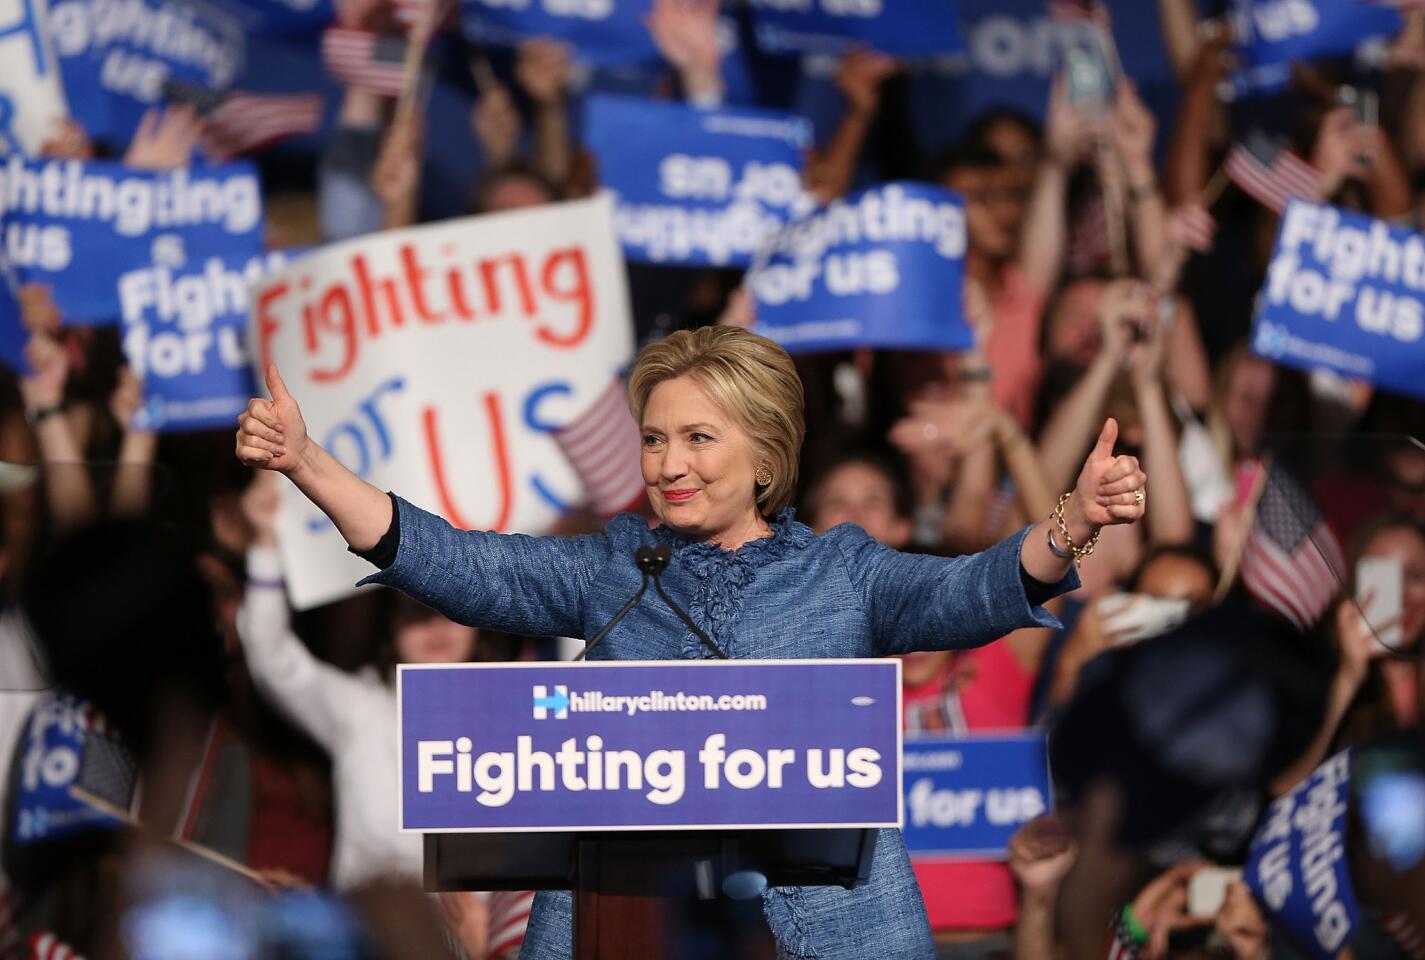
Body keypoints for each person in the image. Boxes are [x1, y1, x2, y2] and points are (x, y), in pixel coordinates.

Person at [234, 325, 1147, 957]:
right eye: (655, 438)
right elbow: (462, 566)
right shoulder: (614, 572)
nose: (668, 464)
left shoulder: (843, 574)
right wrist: (307, 463)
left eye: (698, 438)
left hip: (830, 932)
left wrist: (1071, 524)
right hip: (627, 924)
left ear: (763, 451)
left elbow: (970, 591)